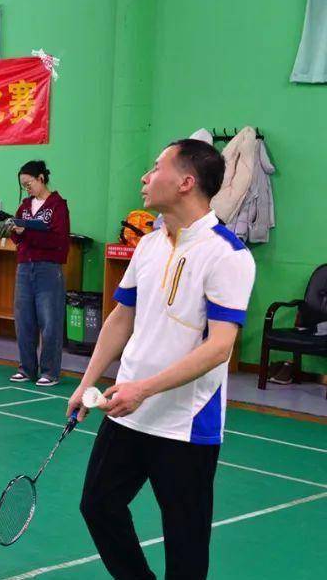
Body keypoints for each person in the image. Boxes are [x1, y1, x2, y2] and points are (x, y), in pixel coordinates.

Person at [68, 140, 255, 579]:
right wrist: (86, 382)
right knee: (97, 504)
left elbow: (220, 347)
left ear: (186, 182)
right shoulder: (149, 245)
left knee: (186, 543)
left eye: (156, 168)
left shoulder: (228, 255)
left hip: (185, 423)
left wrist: (143, 390)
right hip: (126, 410)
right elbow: (120, 317)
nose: (145, 177)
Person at [9, 160, 71, 386]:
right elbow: (19, 237)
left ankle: (50, 371)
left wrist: (27, 233)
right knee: (23, 320)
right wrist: (15, 231)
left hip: (48, 268)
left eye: (29, 183)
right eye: (24, 185)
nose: (27, 189)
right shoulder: (25, 206)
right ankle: (26, 368)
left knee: (50, 321)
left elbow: (59, 240)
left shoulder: (57, 206)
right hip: (25, 267)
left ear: (41, 178)